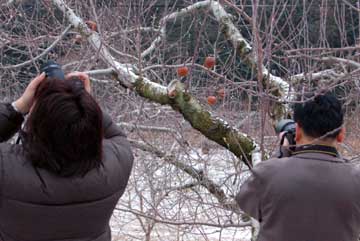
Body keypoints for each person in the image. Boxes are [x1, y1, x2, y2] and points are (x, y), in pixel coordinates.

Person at [0, 72, 134, 241]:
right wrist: (83, 105)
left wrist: (18, 107)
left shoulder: (6, 170)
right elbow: (115, 135)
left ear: (37, 125)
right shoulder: (117, 165)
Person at [236, 93, 360, 241]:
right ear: (341, 134)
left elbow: (247, 205)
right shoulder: (355, 179)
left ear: (298, 131)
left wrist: (282, 153)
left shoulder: (268, 173)